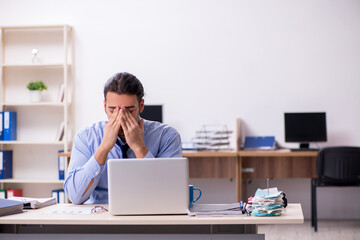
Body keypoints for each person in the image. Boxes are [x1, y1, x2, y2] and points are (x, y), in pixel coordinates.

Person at [64, 72, 182, 204]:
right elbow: (74, 197)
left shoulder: (167, 137)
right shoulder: (85, 137)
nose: (120, 117)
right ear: (104, 106)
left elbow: (170, 194)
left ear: (141, 106)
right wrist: (103, 148)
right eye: (113, 110)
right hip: (101, 215)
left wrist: (139, 148)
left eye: (129, 111)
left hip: (148, 213)